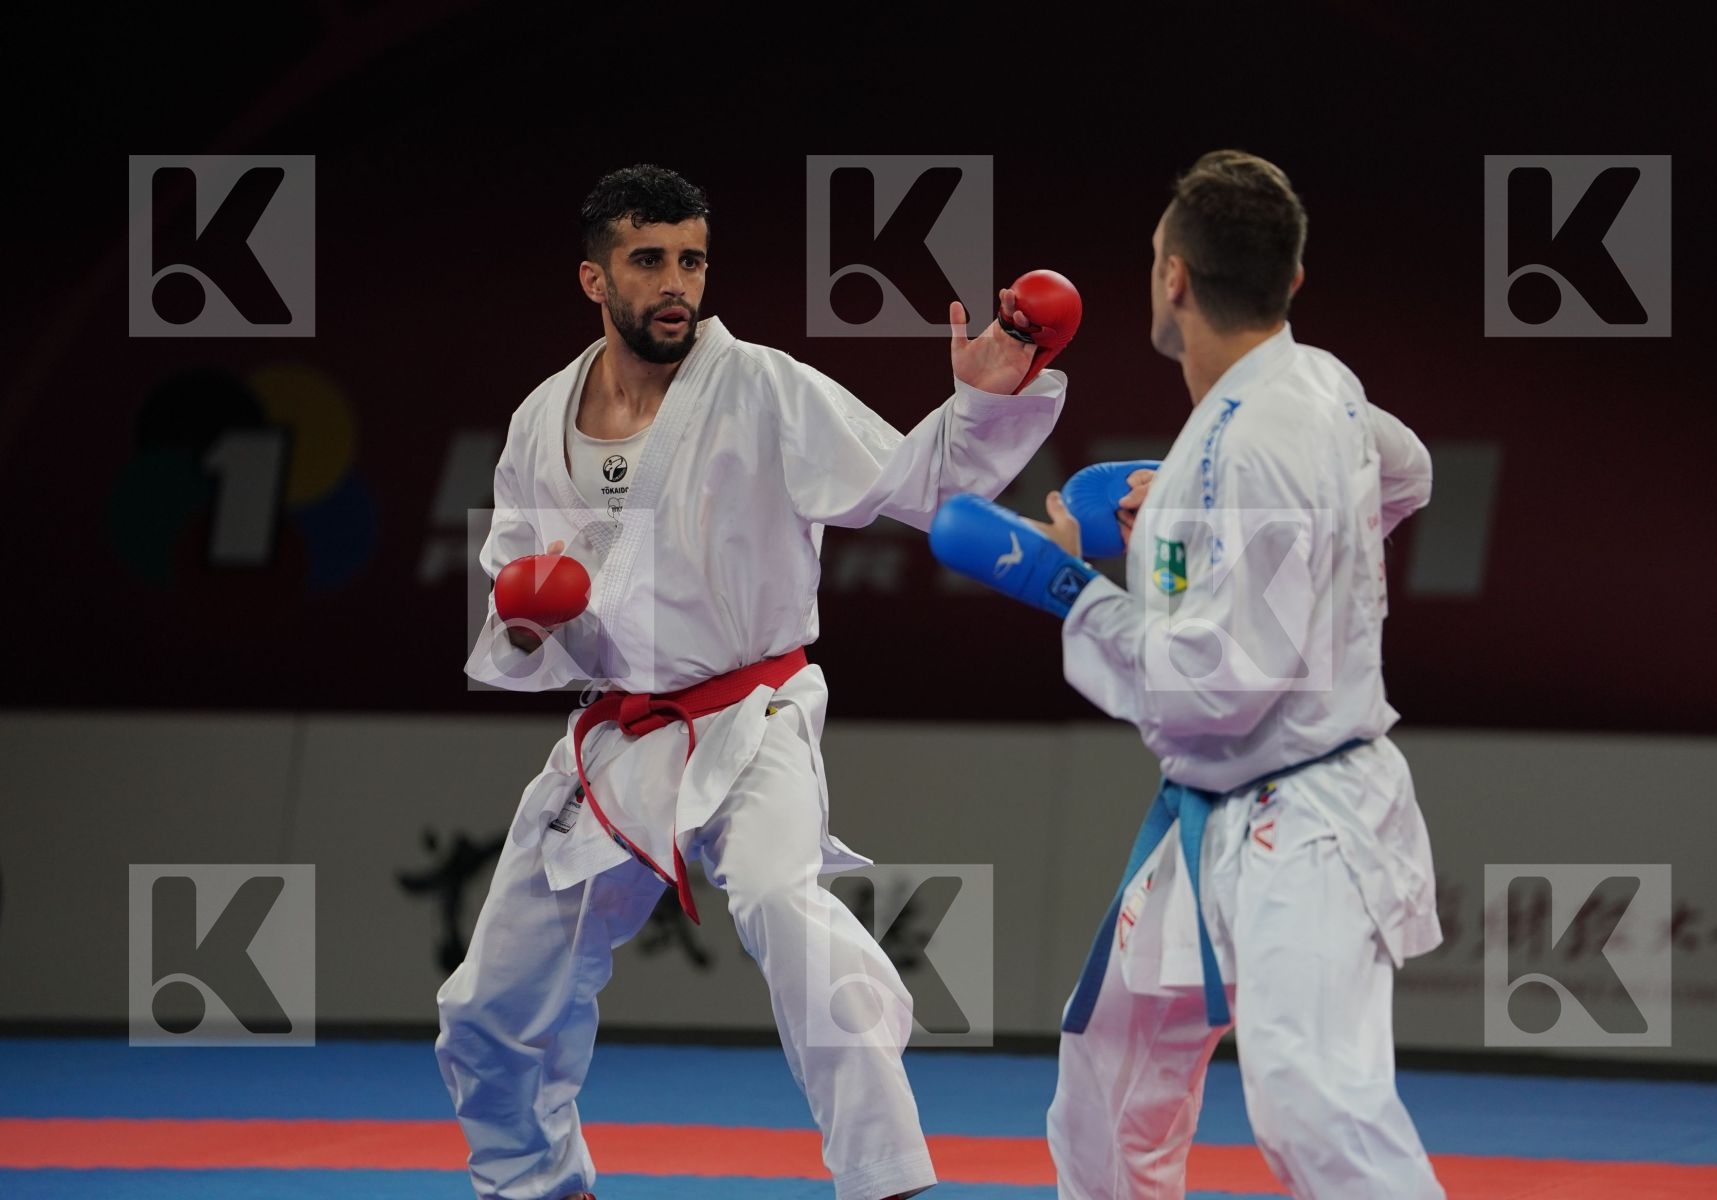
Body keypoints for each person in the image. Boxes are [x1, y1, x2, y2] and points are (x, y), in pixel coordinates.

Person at [436, 163, 1064, 1200]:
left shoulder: (762, 386)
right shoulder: (536, 423)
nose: (677, 281)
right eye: (649, 261)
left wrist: (982, 399)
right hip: (615, 743)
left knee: (781, 899)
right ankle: (536, 1182)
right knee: (485, 1008)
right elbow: (513, 611)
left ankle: (886, 1177)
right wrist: (524, 609)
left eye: (691, 259)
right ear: (595, 279)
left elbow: (914, 486)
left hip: (750, 717)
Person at [929, 150, 1444, 1197]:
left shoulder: (1264, 434)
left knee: (1315, 1110)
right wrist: (1193, 521)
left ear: (1172, 279)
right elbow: (1409, 473)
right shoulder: (1313, 387)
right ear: (1290, 281)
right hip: (1220, 809)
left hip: (1302, 816)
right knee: (1105, 1085)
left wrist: (1069, 589)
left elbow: (1217, 685)